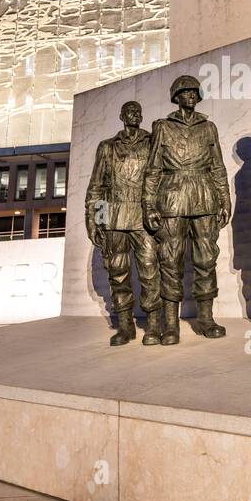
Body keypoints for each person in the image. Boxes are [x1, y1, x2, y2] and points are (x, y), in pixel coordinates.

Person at [142, 75, 231, 345]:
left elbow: (217, 166)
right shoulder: (163, 127)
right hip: (172, 198)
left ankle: (206, 317)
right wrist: (148, 204)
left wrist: (225, 199)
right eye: (185, 91)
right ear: (176, 96)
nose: (191, 95)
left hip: (204, 195)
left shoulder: (209, 127)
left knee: (206, 260)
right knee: (170, 262)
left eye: (194, 91)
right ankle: (171, 325)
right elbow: (154, 167)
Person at [85, 100, 161, 345]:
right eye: (129, 111)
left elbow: (161, 179)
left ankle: (153, 325)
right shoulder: (107, 147)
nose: (134, 114)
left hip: (142, 216)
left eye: (138, 111)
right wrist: (94, 221)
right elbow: (97, 186)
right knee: (118, 274)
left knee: (150, 270)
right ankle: (126, 326)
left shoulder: (152, 142)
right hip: (113, 217)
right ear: (121, 116)